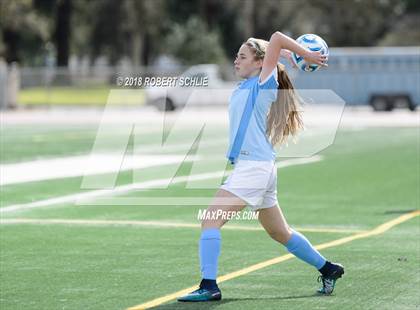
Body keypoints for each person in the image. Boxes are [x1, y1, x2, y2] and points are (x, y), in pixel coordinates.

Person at [178, 31, 344, 302]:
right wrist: (289, 54)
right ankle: (328, 268)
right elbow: (274, 47)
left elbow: (276, 37)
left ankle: (209, 286)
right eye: (236, 55)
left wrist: (303, 54)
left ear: (259, 63)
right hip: (259, 167)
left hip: (254, 168)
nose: (236, 60)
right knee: (281, 233)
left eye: (242, 56)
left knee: (210, 220)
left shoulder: (264, 83)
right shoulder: (246, 85)